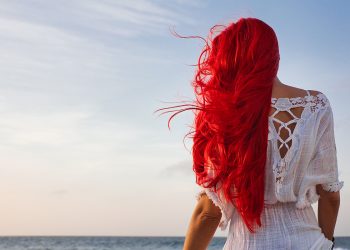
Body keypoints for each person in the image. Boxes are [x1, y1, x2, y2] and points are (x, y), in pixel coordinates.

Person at [155, 17, 343, 249]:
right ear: (275, 58)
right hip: (309, 242)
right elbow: (330, 196)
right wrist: (326, 243)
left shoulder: (224, 114)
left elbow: (209, 214)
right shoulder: (317, 106)